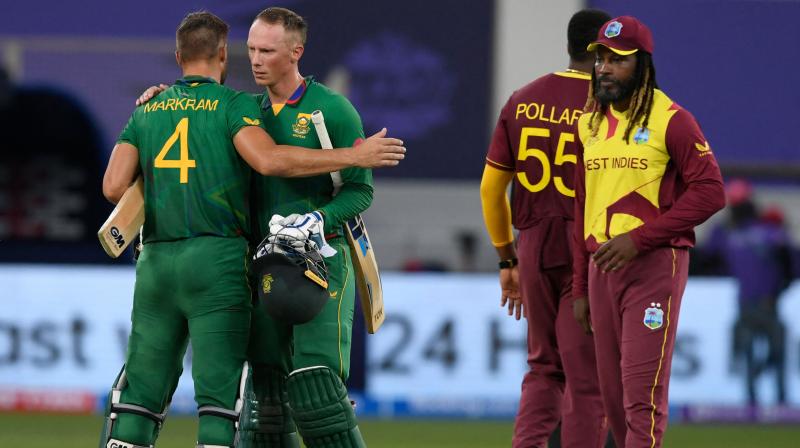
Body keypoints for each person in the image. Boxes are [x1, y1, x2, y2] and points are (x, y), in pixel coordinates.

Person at [101, 11, 404, 448]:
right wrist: (171, 97)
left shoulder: (332, 110)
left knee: (317, 390)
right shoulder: (246, 109)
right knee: (263, 401)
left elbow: (360, 195)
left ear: (296, 52)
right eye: (253, 49)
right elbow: (244, 150)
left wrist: (319, 220)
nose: (257, 60)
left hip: (320, 261)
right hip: (258, 266)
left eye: (268, 51)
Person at [571, 16, 725, 448]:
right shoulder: (590, 123)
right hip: (602, 272)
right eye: (600, 58)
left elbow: (712, 192)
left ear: (642, 64)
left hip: (653, 266)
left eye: (616, 60)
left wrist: (640, 239)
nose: (603, 68)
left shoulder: (671, 118)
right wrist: (581, 285)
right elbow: (583, 205)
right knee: (614, 402)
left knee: (643, 399)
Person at [480, 9, 611, 448]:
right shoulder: (611, 104)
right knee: (587, 376)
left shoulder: (523, 99)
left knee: (543, 367)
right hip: (589, 247)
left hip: (533, 243)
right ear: (601, 50)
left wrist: (506, 258)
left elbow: (491, 190)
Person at [701, 179, 793, 406]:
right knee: (766, 351)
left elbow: (706, 259)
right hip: (759, 303)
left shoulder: (735, 234)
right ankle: (764, 399)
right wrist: (780, 290)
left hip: (757, 303)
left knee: (762, 351)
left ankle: (764, 399)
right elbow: (789, 263)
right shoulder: (767, 231)